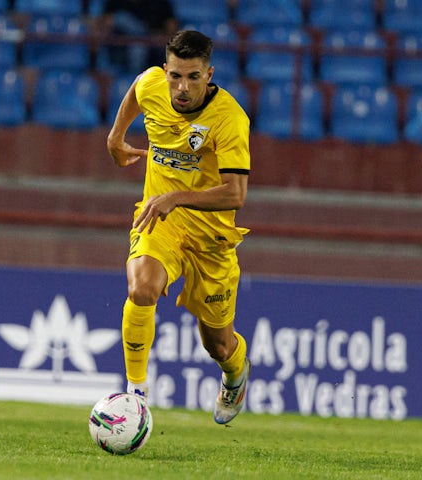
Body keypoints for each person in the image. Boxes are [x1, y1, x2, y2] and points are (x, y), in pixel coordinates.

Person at [106, 30, 251, 424]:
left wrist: (177, 197)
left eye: (192, 77)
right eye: (175, 76)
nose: (181, 87)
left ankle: (236, 376)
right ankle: (135, 395)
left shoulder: (230, 119)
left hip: (211, 238)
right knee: (141, 287)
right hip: (160, 220)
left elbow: (235, 194)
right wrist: (116, 137)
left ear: (209, 74)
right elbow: (138, 88)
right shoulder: (154, 83)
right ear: (166, 70)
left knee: (218, 346)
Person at [98, 0, 178, 73]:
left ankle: (135, 77)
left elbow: (171, 30)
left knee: (138, 46)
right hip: (121, 47)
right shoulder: (115, 2)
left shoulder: (160, 3)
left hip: (151, 45)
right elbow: (103, 25)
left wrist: (157, 35)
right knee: (121, 18)